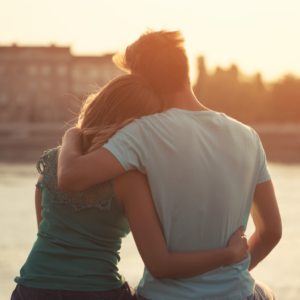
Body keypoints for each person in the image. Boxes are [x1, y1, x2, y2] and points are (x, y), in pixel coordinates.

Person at [58, 30, 282, 300]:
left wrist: (72, 135)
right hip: (236, 294)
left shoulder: (142, 133)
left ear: (142, 82)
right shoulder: (248, 136)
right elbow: (271, 231)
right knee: (265, 292)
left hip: (162, 296)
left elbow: (71, 176)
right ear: (186, 72)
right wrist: (229, 272)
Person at [12, 75, 249, 300]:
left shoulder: (53, 162)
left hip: (30, 289)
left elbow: (47, 236)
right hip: (97, 292)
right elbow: (160, 265)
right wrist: (229, 254)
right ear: (138, 126)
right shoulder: (129, 178)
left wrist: (72, 135)